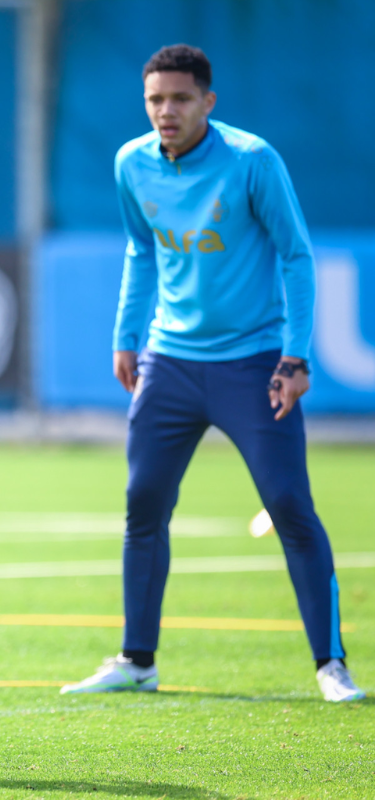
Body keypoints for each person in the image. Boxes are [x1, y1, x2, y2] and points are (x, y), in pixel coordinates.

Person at [61, 45, 363, 702]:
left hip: (252, 365)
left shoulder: (252, 161)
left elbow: (296, 255)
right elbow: (141, 249)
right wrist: (125, 337)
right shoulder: (131, 163)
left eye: (180, 99)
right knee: (143, 506)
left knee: (289, 505)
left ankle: (331, 665)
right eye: (155, 100)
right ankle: (137, 661)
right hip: (169, 362)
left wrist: (295, 356)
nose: (165, 111)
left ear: (208, 102)